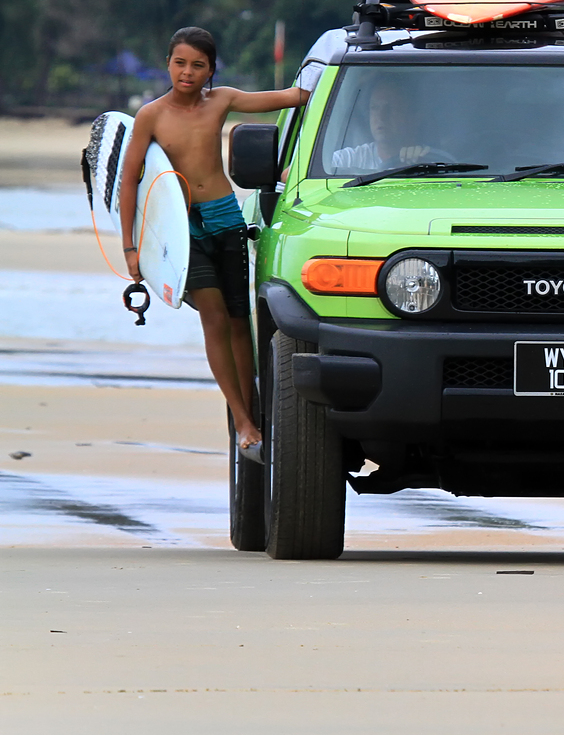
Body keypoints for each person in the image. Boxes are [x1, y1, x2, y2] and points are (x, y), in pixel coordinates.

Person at [120, 27, 311, 454]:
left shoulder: (221, 100)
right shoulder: (151, 115)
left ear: (210, 71)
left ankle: (254, 410)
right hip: (182, 226)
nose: (187, 72)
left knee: (241, 322)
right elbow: (129, 182)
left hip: (225, 217)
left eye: (198, 65)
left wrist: (320, 83)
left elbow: (286, 98)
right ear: (168, 64)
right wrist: (130, 247)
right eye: (180, 63)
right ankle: (242, 421)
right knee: (215, 317)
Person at [328, 83, 455, 174]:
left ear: (414, 118)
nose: (381, 116)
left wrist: (418, 166)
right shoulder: (348, 160)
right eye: (375, 108)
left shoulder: (434, 161)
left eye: (392, 108)